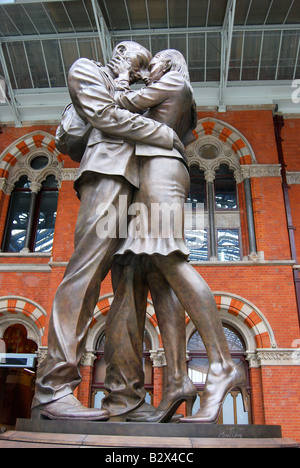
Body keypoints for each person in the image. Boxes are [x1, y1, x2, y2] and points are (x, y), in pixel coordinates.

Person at [31, 41, 186, 421]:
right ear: (116, 53)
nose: (132, 70)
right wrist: (162, 135)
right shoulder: (87, 69)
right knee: (85, 273)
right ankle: (53, 389)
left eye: (138, 68)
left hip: (141, 185)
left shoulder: (133, 90)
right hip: (108, 174)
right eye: (130, 61)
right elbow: (103, 115)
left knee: (132, 291)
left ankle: (125, 398)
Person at [103, 49, 248, 424]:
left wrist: (122, 76)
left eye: (151, 64)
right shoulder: (176, 93)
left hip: (161, 173)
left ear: (167, 64)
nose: (145, 71)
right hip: (157, 172)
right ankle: (178, 381)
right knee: (157, 271)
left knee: (169, 258)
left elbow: (118, 104)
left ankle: (221, 363)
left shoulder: (173, 81)